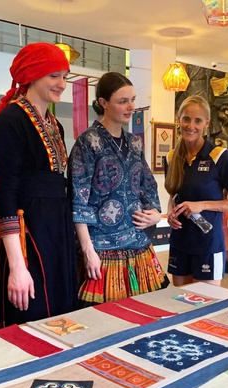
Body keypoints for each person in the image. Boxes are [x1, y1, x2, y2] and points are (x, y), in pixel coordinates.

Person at [0, 42, 78, 327]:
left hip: (58, 231)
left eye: (64, 76)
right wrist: (17, 266)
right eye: (54, 75)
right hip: (29, 236)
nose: (62, 84)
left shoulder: (55, 125)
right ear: (32, 75)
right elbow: (6, 193)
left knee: (63, 314)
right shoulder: (10, 120)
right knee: (31, 316)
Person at [69, 72, 168, 306]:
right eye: (123, 101)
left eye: (132, 100)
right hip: (101, 247)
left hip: (138, 244)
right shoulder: (88, 142)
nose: (131, 106)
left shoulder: (134, 142)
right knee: (102, 316)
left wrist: (156, 213)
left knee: (146, 311)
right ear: (103, 103)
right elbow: (78, 199)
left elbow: (148, 184)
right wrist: (88, 250)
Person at [165, 95, 228, 286]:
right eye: (186, 119)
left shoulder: (219, 157)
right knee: (180, 301)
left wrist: (202, 205)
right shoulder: (171, 157)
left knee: (206, 302)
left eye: (198, 121)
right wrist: (170, 213)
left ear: (207, 123)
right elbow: (174, 195)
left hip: (208, 245)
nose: (190, 126)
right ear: (178, 119)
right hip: (180, 242)